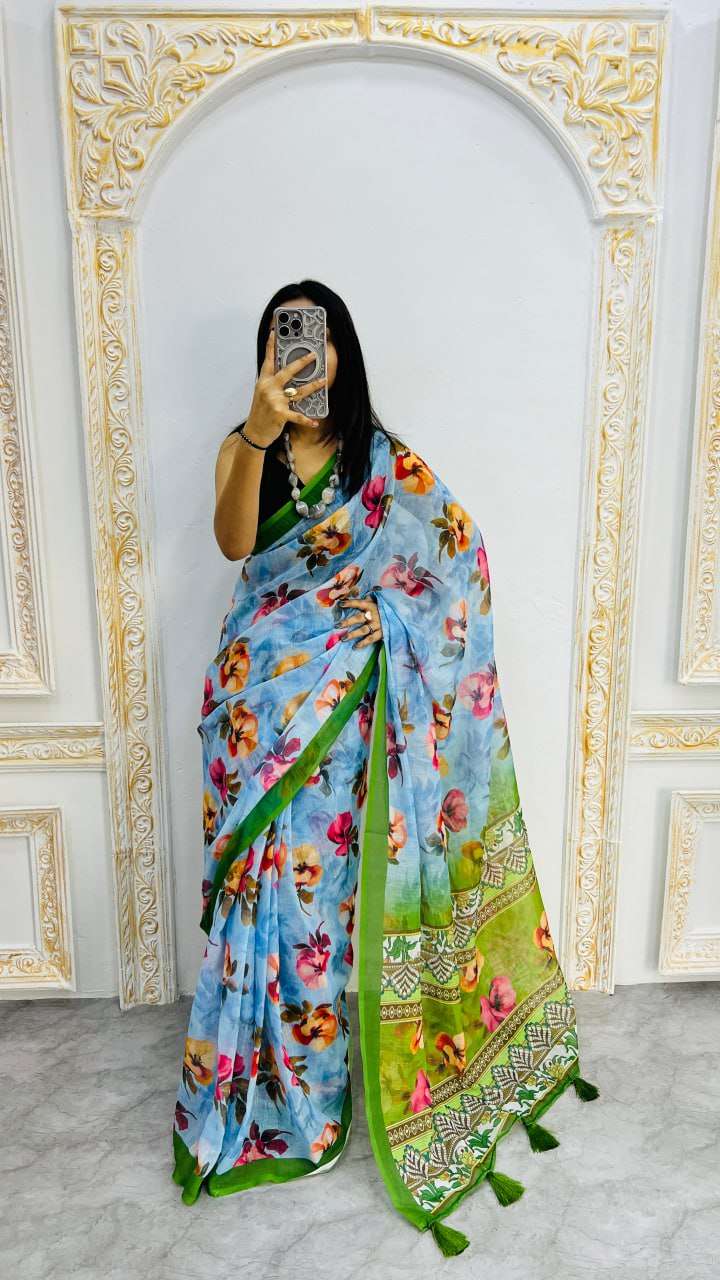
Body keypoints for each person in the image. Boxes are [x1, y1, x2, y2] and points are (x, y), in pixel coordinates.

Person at [171, 279, 599, 1255]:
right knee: (261, 900)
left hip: (340, 710)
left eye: (314, 339)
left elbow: (461, 558)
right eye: (284, 340)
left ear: (342, 352)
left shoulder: (382, 462)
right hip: (255, 708)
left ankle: (320, 1095)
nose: (300, 355)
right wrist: (257, 430)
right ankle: (268, 1098)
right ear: (267, 355)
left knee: (318, 908)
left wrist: (393, 611)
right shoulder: (245, 450)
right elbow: (234, 544)